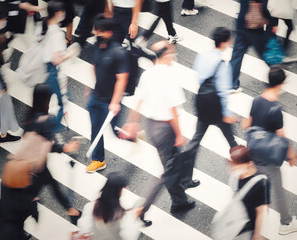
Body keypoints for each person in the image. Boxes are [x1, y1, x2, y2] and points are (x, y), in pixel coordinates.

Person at [120, 41, 195, 219]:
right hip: (166, 129)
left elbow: (138, 100)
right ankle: (142, 209)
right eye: (173, 54)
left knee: (172, 164)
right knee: (168, 171)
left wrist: (132, 122)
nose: (174, 57)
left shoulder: (149, 74)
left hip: (152, 126)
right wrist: (178, 134)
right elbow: (173, 111)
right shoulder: (169, 76)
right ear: (166, 56)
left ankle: (179, 201)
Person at [0, 84, 80, 240]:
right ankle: (70, 211)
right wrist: (65, 148)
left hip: (25, 163)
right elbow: (48, 145)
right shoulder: (45, 120)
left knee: (51, 184)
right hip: (34, 168)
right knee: (28, 198)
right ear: (47, 100)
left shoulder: (29, 116)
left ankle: (70, 210)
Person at [242, 66, 297, 235]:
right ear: (281, 83)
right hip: (268, 156)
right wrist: (291, 154)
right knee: (278, 189)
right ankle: (285, 222)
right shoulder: (275, 109)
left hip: (254, 151)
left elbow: (247, 124)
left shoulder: (256, 100)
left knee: (255, 185)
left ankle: (249, 217)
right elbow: (281, 137)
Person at [179, 27, 238, 189]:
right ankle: (244, 169)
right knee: (231, 139)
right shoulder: (222, 64)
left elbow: (200, 78)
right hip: (216, 106)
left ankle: (185, 178)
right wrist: (226, 113)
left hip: (202, 102)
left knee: (196, 139)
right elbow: (223, 90)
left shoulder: (202, 56)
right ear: (225, 43)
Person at [85, 15, 129, 173]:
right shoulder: (96, 47)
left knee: (116, 131)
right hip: (96, 96)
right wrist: (91, 87)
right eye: (97, 31)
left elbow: (122, 79)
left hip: (111, 101)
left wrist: (115, 102)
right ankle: (98, 160)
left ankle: (133, 135)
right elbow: (95, 66)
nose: (98, 34)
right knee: (96, 128)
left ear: (110, 33)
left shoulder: (118, 52)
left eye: (102, 31)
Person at [42, 1, 77, 128]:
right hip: (52, 71)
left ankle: (43, 120)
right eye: (63, 12)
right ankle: (54, 126)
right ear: (57, 13)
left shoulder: (44, 25)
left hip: (43, 69)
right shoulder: (57, 34)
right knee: (63, 99)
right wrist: (69, 53)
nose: (64, 14)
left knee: (46, 98)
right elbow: (56, 60)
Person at [75, 172, 142, 240]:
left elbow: (83, 227)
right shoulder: (123, 217)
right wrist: (133, 216)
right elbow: (129, 236)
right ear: (119, 191)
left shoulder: (91, 207)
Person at [228, 145, 270, 240]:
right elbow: (235, 193)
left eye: (236, 165)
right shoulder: (236, 175)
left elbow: (261, 212)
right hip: (239, 220)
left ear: (248, 164)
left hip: (251, 224)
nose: (233, 168)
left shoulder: (260, 183)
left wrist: (257, 234)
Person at [230, 0, 271, 93]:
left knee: (237, 55)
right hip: (255, 26)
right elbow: (263, 6)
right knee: (265, 52)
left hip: (242, 22)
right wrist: (269, 19)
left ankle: (232, 84)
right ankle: (277, 76)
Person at [0, 8, 21, 143]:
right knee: (4, 107)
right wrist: (3, 85)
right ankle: (4, 136)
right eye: (2, 20)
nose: (4, 22)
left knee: (3, 108)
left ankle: (4, 134)